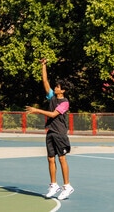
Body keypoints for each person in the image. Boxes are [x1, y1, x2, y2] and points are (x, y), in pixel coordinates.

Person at [26, 58, 74, 200]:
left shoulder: (65, 103)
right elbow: (45, 81)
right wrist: (43, 65)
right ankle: (54, 185)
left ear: (63, 90)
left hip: (60, 133)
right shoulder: (52, 97)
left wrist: (37, 110)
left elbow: (53, 114)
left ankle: (67, 186)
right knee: (50, 159)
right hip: (51, 132)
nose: (55, 87)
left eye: (58, 87)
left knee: (62, 159)